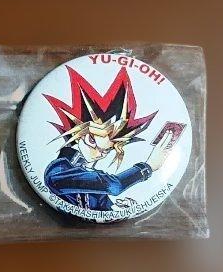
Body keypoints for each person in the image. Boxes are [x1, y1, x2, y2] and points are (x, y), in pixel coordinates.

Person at [42, 66, 178, 212]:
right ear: (84, 136)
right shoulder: (58, 171)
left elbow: (103, 208)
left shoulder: (89, 175)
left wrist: (119, 208)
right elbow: (114, 186)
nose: (100, 155)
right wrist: (148, 166)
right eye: (97, 146)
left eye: (106, 151)